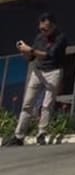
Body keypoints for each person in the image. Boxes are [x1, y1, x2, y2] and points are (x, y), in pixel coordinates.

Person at [4, 12, 68, 147]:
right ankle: (19, 135)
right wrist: (24, 52)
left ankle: (41, 133)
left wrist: (31, 50)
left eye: (46, 28)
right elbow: (32, 58)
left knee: (47, 104)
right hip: (38, 71)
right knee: (27, 103)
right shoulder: (39, 38)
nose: (43, 31)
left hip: (53, 71)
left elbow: (48, 55)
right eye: (41, 28)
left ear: (52, 26)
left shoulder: (60, 38)